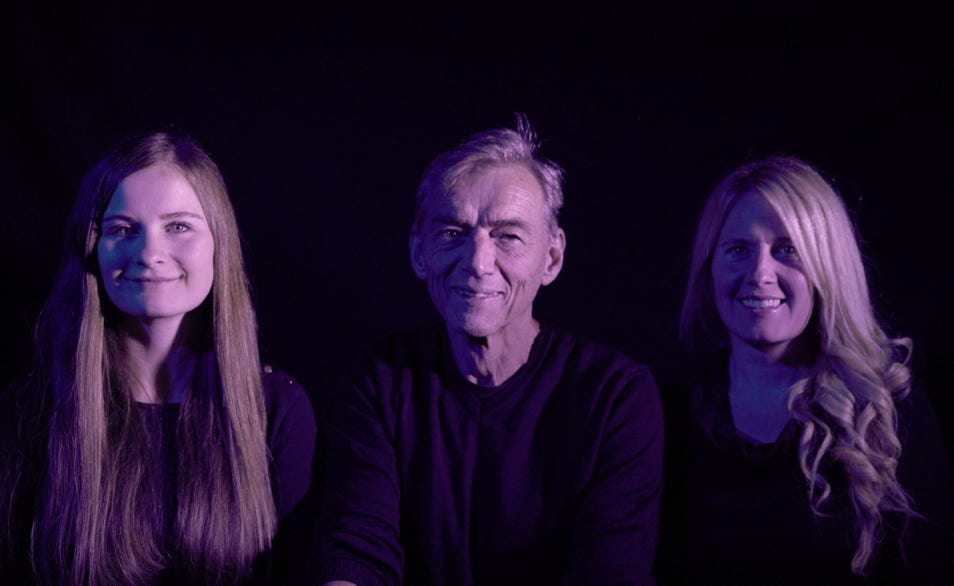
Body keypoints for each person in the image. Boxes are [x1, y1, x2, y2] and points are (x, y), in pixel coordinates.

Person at [316, 116, 663, 585]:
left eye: (508, 236)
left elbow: (611, 572)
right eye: (452, 234)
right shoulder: (380, 381)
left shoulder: (614, 395)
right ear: (419, 251)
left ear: (552, 258)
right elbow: (357, 547)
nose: (478, 263)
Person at [0, 132, 317, 585]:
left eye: (178, 227)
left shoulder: (277, 408)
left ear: (219, 242)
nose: (149, 254)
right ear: (92, 248)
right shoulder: (29, 412)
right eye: (122, 229)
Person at [656, 155, 954, 584]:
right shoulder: (668, 415)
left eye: (788, 249)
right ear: (709, 269)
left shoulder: (889, 413)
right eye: (738, 249)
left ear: (828, 266)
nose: (760, 273)